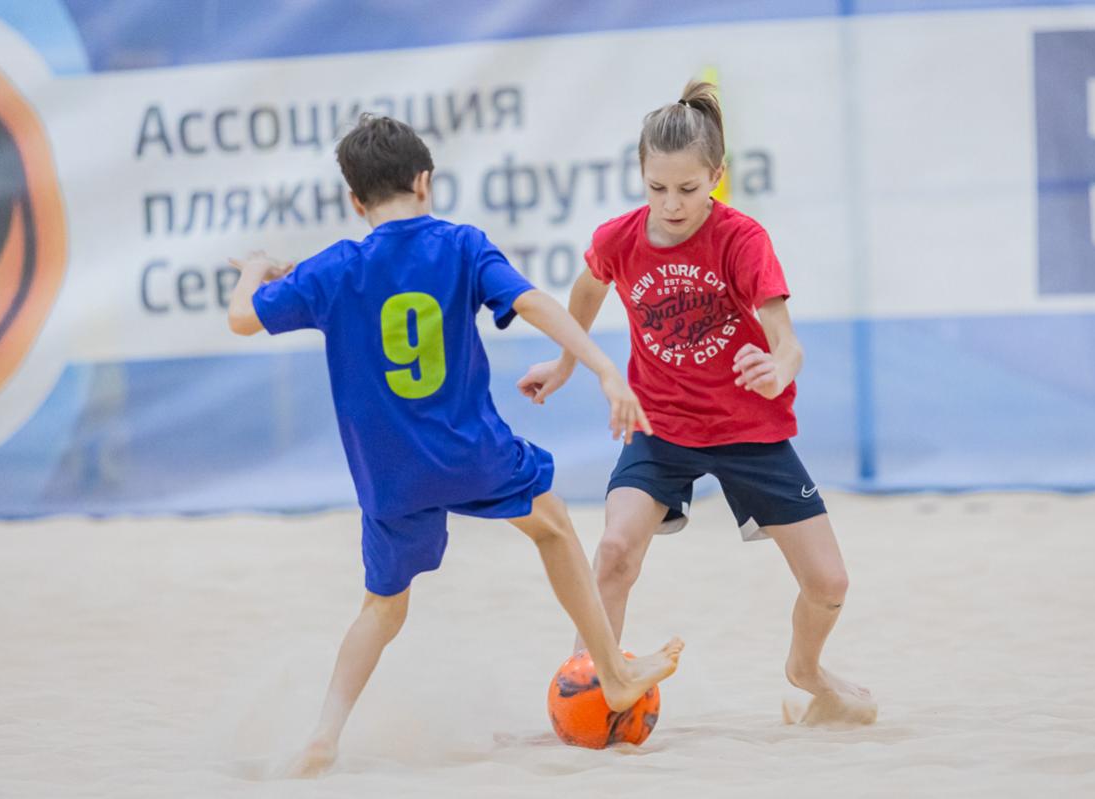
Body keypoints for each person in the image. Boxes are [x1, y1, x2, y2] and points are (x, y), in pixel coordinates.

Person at [225, 114, 683, 777]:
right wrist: (603, 368)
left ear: (354, 201)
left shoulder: (335, 267)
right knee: (553, 526)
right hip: (470, 453)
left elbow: (243, 318)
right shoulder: (461, 246)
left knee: (382, 608)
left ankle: (323, 733)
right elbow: (534, 303)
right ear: (424, 181)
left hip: (389, 477)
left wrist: (255, 271)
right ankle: (612, 673)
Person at [517, 81, 875, 726]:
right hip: (659, 427)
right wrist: (566, 362)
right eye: (657, 187)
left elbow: (788, 343)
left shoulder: (742, 239)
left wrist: (778, 368)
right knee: (614, 550)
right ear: (641, 174)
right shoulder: (619, 239)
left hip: (749, 430)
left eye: (688, 188)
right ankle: (587, 688)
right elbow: (588, 288)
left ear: (716, 176)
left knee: (829, 585)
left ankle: (805, 669)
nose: (672, 203)